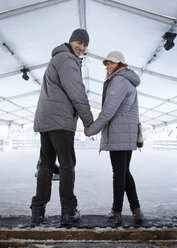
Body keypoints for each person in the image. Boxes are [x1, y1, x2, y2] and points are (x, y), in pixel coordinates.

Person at [31, 29, 93, 227]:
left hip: (47, 120)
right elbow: (77, 92)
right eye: (79, 43)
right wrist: (88, 121)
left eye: (85, 46)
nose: (81, 48)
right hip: (60, 121)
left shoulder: (56, 58)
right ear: (71, 40)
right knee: (67, 164)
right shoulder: (67, 59)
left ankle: (38, 211)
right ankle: (69, 211)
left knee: (46, 164)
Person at [85, 51, 144, 225]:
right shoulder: (128, 80)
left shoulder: (118, 81)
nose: (108, 66)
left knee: (119, 174)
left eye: (112, 63)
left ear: (121, 64)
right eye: (106, 64)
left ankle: (116, 212)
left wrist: (91, 130)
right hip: (126, 133)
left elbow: (108, 111)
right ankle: (137, 210)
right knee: (124, 172)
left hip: (119, 134)